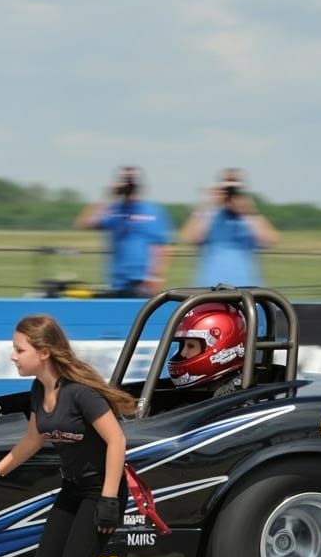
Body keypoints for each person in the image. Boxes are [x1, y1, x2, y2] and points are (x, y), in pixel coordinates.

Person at [0, 314, 136, 557]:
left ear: (43, 352)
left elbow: (117, 442)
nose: (13, 356)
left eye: (19, 349)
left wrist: (108, 499)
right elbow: (35, 438)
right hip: (73, 491)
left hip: (100, 493)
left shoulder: (81, 394)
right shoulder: (40, 392)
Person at [74, 166, 171, 297]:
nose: (129, 187)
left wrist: (156, 276)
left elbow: (161, 247)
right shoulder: (113, 210)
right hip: (117, 280)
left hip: (143, 281)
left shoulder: (153, 211)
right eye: (126, 182)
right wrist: (108, 196)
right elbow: (85, 223)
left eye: (132, 183)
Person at [178, 169, 279, 287]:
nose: (231, 194)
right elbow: (191, 238)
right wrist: (208, 204)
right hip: (210, 285)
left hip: (246, 286)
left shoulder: (250, 216)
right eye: (227, 189)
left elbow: (270, 239)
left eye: (235, 190)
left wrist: (248, 211)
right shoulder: (209, 214)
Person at [166, 302, 249, 397]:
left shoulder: (233, 401)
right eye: (182, 345)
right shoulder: (206, 392)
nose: (183, 353)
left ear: (220, 347)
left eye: (191, 346)